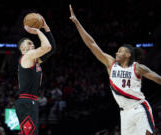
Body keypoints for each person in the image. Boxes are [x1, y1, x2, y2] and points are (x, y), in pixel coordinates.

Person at [69, 4, 161, 135]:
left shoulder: (137, 68)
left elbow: (158, 79)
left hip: (139, 107)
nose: (116, 53)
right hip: (125, 112)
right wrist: (77, 22)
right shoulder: (110, 64)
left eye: (120, 51)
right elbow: (92, 44)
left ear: (128, 55)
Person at [15, 16, 56, 135]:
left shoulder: (34, 59)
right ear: (23, 48)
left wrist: (46, 28)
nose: (32, 45)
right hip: (27, 101)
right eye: (29, 43)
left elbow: (52, 49)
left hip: (29, 102)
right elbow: (46, 47)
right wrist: (37, 31)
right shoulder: (27, 56)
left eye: (33, 43)